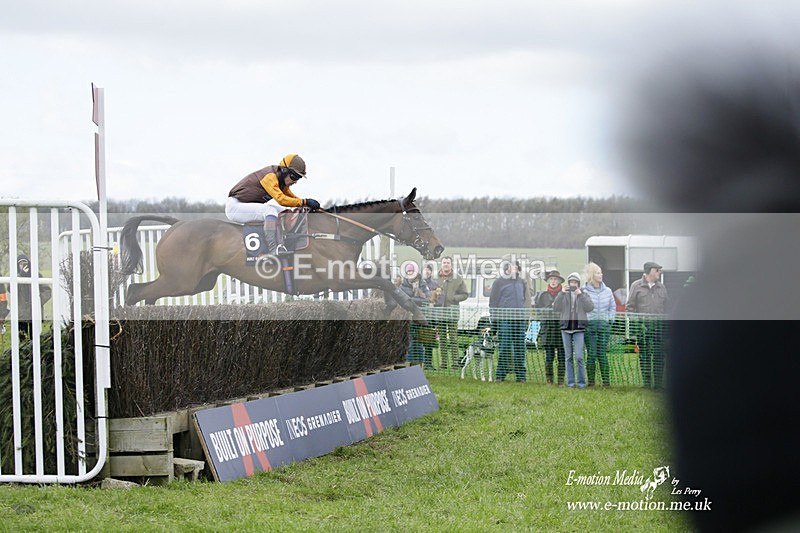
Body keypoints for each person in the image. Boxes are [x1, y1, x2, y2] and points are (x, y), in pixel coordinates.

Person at [225, 154, 321, 255]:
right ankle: (273, 249)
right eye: (294, 176)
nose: (295, 181)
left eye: (299, 178)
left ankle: (283, 243)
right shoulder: (270, 177)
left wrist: (305, 204)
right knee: (270, 211)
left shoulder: (281, 181)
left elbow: (291, 198)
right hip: (235, 207)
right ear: (284, 171)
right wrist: (304, 201)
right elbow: (281, 200)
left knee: (283, 211)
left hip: (244, 205)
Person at [626, 261, 668, 389]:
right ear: (649, 271)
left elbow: (667, 306)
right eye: (657, 270)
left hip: (658, 328)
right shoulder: (636, 286)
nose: (659, 273)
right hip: (642, 328)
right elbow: (630, 308)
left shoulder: (662, 287)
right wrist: (637, 325)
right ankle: (646, 383)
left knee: (659, 356)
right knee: (644, 355)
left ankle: (658, 384)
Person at [489, 255, 530, 382]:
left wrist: (526, 317)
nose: (514, 268)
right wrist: (494, 322)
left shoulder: (522, 282)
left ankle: (521, 376)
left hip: (519, 319)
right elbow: (493, 303)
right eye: (511, 266)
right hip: (504, 320)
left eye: (516, 266)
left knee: (520, 347)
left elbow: (524, 300)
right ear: (506, 268)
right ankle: (500, 375)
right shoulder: (498, 282)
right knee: (505, 347)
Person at [553, 272, 593, 389]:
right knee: (568, 357)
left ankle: (581, 383)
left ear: (579, 284)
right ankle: (570, 383)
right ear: (568, 283)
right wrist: (561, 293)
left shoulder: (584, 294)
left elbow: (590, 307)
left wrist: (580, 295)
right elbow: (555, 307)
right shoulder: (563, 294)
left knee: (580, 356)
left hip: (579, 328)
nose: (573, 284)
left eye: (575, 282)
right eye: (571, 282)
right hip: (565, 328)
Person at [432, 256, 469, 369]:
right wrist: (434, 297)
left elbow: (465, 294)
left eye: (448, 263)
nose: (446, 264)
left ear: (451, 265)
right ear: (441, 264)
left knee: (453, 338)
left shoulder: (458, 278)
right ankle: (443, 363)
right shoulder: (435, 278)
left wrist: (454, 298)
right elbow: (430, 292)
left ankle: (454, 363)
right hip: (440, 312)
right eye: (444, 262)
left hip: (452, 313)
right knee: (442, 339)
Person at [582, 262, 616, 387]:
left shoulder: (608, 291)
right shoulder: (584, 291)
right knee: (591, 353)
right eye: (598, 272)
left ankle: (606, 382)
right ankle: (591, 382)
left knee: (602, 353)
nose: (601, 274)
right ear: (592, 275)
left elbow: (612, 307)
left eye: (601, 272)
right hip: (589, 327)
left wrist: (609, 320)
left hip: (603, 326)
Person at [534, 269, 567, 385]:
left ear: (559, 281)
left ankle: (561, 380)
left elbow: (566, 311)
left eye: (555, 279)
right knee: (549, 356)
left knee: (562, 356)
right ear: (548, 281)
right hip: (547, 329)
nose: (553, 281)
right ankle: (549, 379)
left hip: (561, 329)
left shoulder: (565, 294)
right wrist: (552, 309)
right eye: (551, 279)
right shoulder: (541, 295)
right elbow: (539, 312)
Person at [399, 263, 431, 365]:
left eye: (412, 271)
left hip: (421, 318)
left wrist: (413, 299)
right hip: (408, 317)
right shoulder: (403, 286)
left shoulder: (423, 284)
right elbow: (403, 300)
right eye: (408, 272)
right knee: (409, 341)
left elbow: (427, 299)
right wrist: (417, 299)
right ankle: (410, 364)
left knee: (420, 341)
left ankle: (419, 364)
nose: (410, 273)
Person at [15, 254, 52, 340]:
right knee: (22, 338)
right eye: (20, 264)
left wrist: (38, 300)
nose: (23, 265)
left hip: (35, 311)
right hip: (21, 313)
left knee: (35, 337)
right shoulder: (16, 276)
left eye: (25, 263)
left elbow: (47, 290)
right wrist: (21, 276)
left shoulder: (36, 275)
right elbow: (11, 289)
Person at [418, 264, 440, 369]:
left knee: (429, 341)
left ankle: (428, 363)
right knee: (419, 339)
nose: (426, 272)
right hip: (420, 315)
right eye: (425, 270)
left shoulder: (435, 285)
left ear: (431, 272)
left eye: (428, 270)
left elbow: (439, 298)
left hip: (431, 316)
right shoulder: (418, 284)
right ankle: (419, 362)